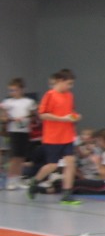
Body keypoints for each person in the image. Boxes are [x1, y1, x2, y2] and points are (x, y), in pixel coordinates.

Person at [27, 69, 81, 206]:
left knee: (70, 162)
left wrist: (75, 116)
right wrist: (62, 119)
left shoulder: (69, 95)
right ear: (60, 81)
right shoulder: (50, 95)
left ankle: (67, 194)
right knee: (52, 165)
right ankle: (35, 181)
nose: (70, 86)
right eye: (69, 83)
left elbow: (70, 111)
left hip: (67, 135)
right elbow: (42, 114)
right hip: (53, 137)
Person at [1, 78, 36, 190]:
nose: (12, 92)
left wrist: (25, 118)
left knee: (21, 157)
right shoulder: (7, 102)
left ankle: (18, 179)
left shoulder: (29, 102)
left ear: (21, 89)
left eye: (15, 90)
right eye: (10, 90)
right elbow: (3, 117)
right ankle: (10, 180)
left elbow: (33, 115)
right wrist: (10, 119)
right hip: (14, 131)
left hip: (24, 131)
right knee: (14, 157)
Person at [71, 128, 105, 194]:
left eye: (98, 141)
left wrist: (97, 163)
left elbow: (104, 176)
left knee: (76, 187)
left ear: (102, 140)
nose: (98, 143)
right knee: (77, 183)